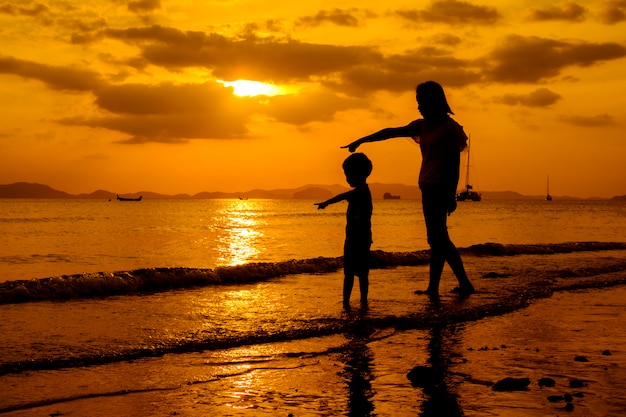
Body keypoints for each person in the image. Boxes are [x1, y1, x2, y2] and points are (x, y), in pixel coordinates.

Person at [342, 81, 474, 297]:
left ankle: (451, 285)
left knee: (438, 238)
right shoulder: (422, 125)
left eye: (422, 102)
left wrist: (451, 195)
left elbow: (453, 165)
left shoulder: (449, 129)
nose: (419, 107)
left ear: (434, 101)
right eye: (418, 103)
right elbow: (391, 132)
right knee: (438, 239)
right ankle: (443, 285)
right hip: (427, 187)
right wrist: (362, 140)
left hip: (440, 189)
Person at [315, 153, 373, 310]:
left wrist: (326, 203)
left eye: (348, 174)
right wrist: (326, 202)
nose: (347, 178)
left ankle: (351, 302)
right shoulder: (361, 191)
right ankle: (359, 301)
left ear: (358, 174)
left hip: (357, 239)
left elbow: (343, 197)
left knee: (354, 273)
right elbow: (342, 196)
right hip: (358, 238)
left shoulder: (360, 193)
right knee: (358, 272)